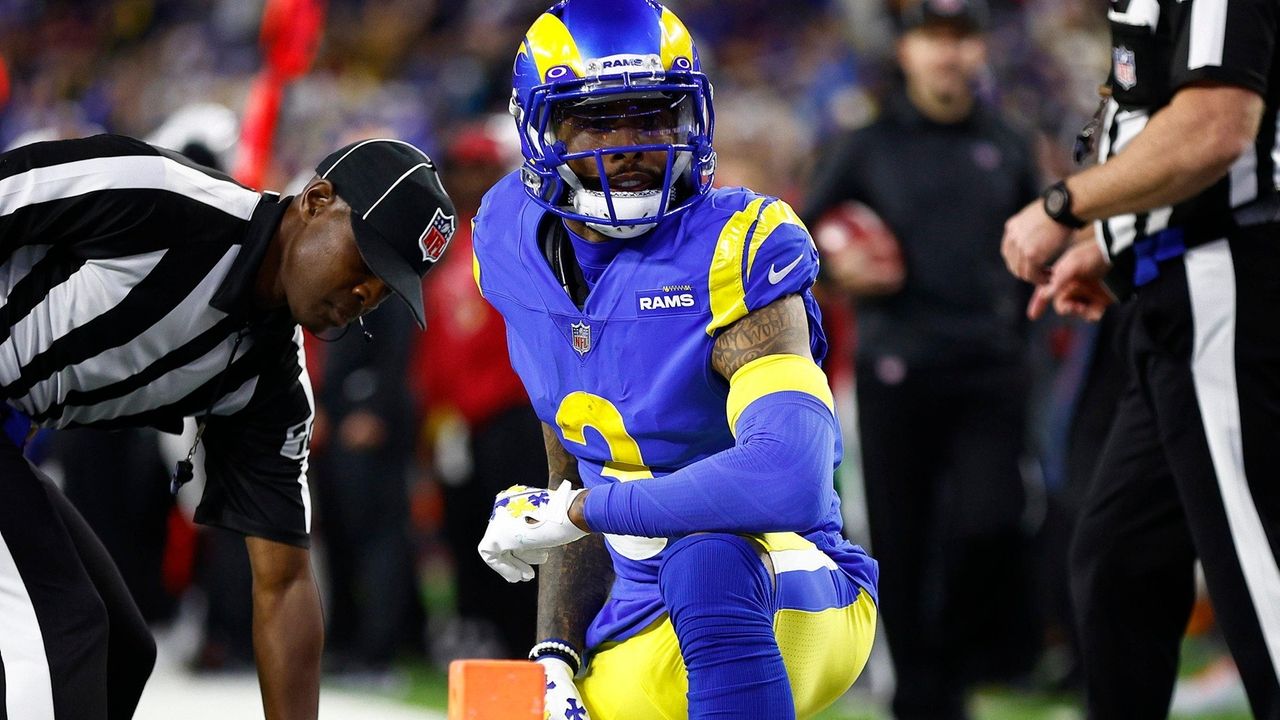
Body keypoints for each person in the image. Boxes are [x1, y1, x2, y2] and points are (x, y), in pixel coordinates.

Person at [471, 2, 879, 719]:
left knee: (707, 555)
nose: (628, 144)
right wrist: (556, 653)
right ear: (540, 128)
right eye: (598, 120)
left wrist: (577, 509)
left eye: (653, 116)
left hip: (783, 585)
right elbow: (570, 454)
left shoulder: (737, 248)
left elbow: (788, 480)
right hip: (635, 611)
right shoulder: (508, 239)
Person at [0, 133, 455, 720]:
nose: (367, 292)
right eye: (368, 258)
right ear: (316, 200)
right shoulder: (162, 197)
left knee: (118, 646)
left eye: (387, 286)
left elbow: (284, 582)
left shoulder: (272, 387)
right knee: (62, 631)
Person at [1001, 0, 1280, 715]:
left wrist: (1064, 205)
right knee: (1118, 565)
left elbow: (1217, 127)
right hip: (1174, 288)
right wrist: (1113, 246)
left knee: (1260, 576)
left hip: (1227, 288)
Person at [804, 1, 1043, 716]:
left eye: (962, 37)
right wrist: (843, 272)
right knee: (902, 542)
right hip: (896, 369)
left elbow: (1038, 248)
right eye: (933, 37)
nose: (949, 53)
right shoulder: (866, 143)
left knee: (991, 520)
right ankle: (921, 694)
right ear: (905, 49)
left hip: (991, 368)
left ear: (979, 51)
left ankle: (963, 667)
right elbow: (801, 244)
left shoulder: (1008, 141)